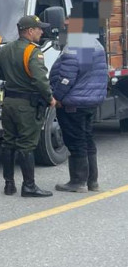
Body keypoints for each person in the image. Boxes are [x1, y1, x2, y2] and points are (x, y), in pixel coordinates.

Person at [0, 15, 56, 197]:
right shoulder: (33, 52)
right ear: (30, 31)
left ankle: (9, 185)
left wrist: (12, 79)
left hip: (8, 102)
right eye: (39, 28)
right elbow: (40, 80)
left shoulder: (7, 49)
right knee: (27, 145)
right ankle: (29, 186)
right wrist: (50, 98)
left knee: (9, 142)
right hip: (26, 105)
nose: (42, 31)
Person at [50, 13, 108, 192]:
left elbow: (66, 78)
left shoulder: (74, 47)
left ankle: (78, 181)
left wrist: (57, 97)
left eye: (67, 25)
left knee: (76, 143)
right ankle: (92, 181)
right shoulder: (96, 44)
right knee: (88, 140)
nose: (64, 29)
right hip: (90, 102)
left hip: (73, 103)